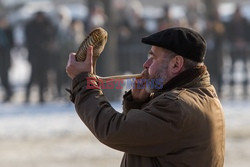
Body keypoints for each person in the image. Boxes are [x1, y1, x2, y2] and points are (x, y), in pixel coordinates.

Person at [66, 27, 225, 167]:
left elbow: (114, 130)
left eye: (153, 57)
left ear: (176, 64)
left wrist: (83, 82)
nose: (146, 64)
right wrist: (137, 103)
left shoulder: (177, 106)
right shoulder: (204, 95)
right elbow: (146, 141)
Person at [0, 15, 14, 102]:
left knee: (4, 75)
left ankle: (9, 93)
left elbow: (11, 43)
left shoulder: (8, 31)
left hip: (4, 55)